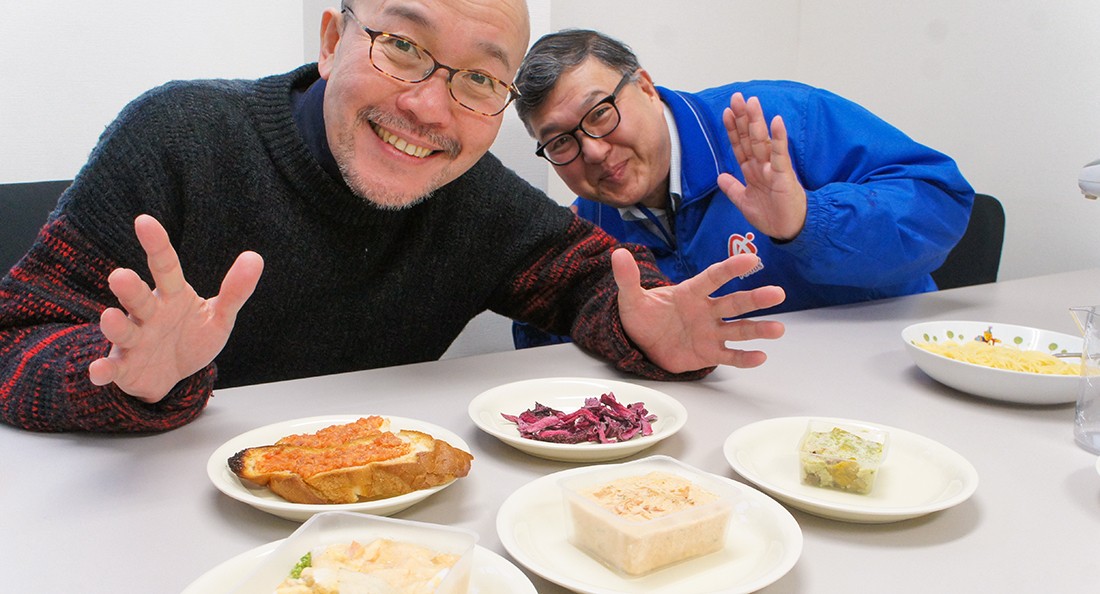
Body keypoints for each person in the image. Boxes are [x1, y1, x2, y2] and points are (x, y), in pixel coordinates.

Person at [0, 1, 786, 433]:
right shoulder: (178, 138)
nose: (428, 107)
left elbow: (585, 279)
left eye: (480, 78)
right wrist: (119, 376)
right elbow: (17, 337)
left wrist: (638, 326)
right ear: (334, 39)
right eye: (403, 47)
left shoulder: (476, 197)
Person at [509, 29, 974, 349]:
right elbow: (548, 361)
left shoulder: (776, 121)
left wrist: (808, 220)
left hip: (879, 369)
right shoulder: (589, 229)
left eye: (601, 113)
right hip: (732, 412)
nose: (591, 151)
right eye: (560, 142)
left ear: (646, 87)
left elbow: (941, 200)